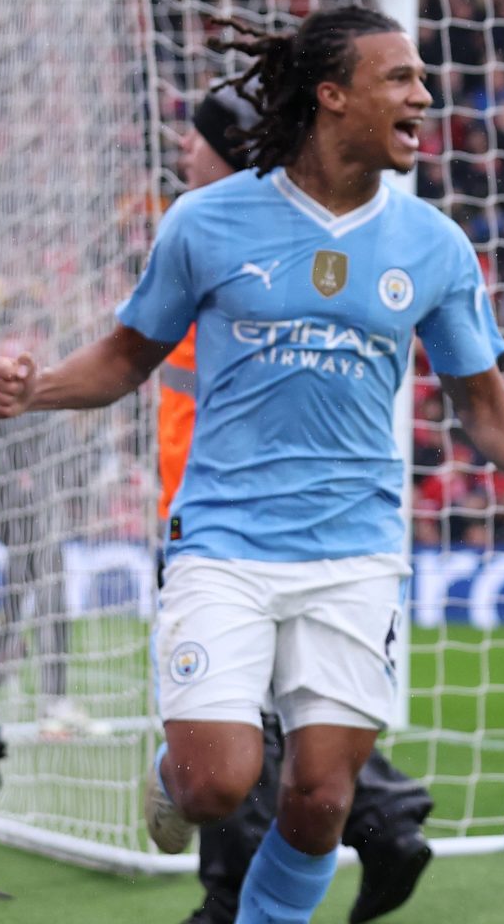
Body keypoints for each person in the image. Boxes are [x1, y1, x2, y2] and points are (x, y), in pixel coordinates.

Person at [0, 6, 504, 924]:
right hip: (224, 540)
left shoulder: (433, 244)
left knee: (321, 801)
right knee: (216, 785)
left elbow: (481, 402)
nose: (424, 96)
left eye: (421, 78)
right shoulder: (207, 221)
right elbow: (124, 358)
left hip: (356, 551)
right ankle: (171, 775)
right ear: (333, 95)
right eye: (400, 78)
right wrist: (34, 390)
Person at [160, 81, 437, 924]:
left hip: (228, 511)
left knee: (255, 726)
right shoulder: (210, 232)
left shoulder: (236, 242)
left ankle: (239, 892)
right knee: (267, 722)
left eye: (197, 139)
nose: (182, 152)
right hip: (218, 509)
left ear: (227, 154)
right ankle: (383, 819)